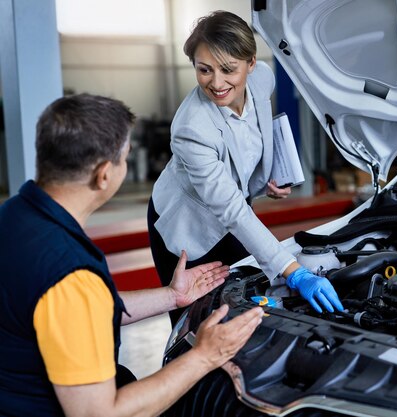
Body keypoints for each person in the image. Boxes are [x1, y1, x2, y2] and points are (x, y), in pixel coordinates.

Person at [0, 94, 264, 417]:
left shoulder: (14, 215)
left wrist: (171, 296)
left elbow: (74, 313)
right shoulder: (69, 275)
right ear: (104, 175)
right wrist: (204, 356)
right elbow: (98, 415)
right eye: (124, 158)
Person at [147, 10, 343, 322]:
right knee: (197, 319)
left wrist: (264, 179)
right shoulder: (191, 129)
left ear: (251, 63)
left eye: (228, 69)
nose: (217, 83)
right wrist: (295, 273)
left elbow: (245, 143)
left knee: (245, 302)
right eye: (204, 70)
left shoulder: (263, 78)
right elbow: (232, 209)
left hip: (231, 209)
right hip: (187, 222)